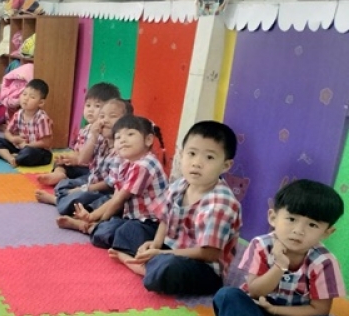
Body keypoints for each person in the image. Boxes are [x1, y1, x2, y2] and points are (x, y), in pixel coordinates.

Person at [213, 179, 349, 316]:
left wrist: (276, 310)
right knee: (226, 296)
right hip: (256, 309)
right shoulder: (261, 245)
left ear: (327, 232)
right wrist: (280, 266)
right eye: (291, 219)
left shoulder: (324, 261)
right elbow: (255, 290)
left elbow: (319, 310)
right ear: (273, 217)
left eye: (312, 225)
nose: (299, 230)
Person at [113, 121, 241, 296]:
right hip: (170, 248)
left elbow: (210, 253)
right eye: (192, 154)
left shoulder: (221, 203)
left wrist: (161, 253)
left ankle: (139, 266)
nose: (197, 163)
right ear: (181, 154)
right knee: (127, 230)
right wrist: (155, 243)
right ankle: (150, 264)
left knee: (169, 268)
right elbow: (165, 219)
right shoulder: (179, 185)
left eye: (209, 157)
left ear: (226, 165)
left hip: (202, 267)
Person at [62, 115, 168, 255]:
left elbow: (119, 200)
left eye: (130, 134)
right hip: (133, 217)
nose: (122, 140)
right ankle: (91, 226)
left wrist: (100, 220)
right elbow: (115, 197)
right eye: (118, 137)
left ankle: (90, 227)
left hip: (153, 224)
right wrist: (92, 216)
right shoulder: (126, 163)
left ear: (148, 140)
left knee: (122, 231)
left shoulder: (144, 165)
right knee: (113, 226)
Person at [36, 98, 131, 215]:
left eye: (112, 116)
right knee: (63, 186)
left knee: (83, 198)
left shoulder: (121, 151)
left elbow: (109, 184)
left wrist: (84, 188)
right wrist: (94, 136)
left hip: (104, 191)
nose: (105, 120)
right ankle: (65, 201)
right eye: (102, 116)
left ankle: (58, 201)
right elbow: (82, 159)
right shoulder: (101, 140)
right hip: (91, 181)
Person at [37, 82, 121, 185]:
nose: (90, 110)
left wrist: (77, 160)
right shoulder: (84, 130)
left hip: (93, 170)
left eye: (97, 106)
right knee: (60, 163)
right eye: (88, 105)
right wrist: (69, 158)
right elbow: (77, 151)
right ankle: (59, 174)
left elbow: (96, 159)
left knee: (83, 180)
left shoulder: (106, 133)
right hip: (80, 164)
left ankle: (70, 183)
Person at [0, 78, 53, 167]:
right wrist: (12, 139)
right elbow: (7, 132)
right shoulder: (18, 114)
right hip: (19, 147)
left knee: (29, 153)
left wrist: (27, 145)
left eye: (32, 97)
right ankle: (11, 158)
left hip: (37, 150)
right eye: (24, 94)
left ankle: (16, 157)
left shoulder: (42, 118)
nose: (26, 98)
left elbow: (46, 142)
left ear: (41, 103)